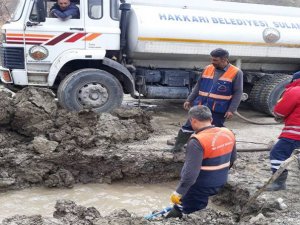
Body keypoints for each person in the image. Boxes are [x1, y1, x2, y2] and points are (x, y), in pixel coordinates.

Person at [166, 105, 237, 218]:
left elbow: (191, 174)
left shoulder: (197, 141)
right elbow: (232, 159)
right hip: (220, 180)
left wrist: (179, 192)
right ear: (211, 119)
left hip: (200, 185)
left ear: (192, 120)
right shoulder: (228, 132)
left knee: (185, 210)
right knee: (196, 204)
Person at [169, 48, 243, 153]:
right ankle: (176, 148)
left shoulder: (236, 72)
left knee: (214, 131)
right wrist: (189, 99)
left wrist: (231, 109)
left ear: (224, 59)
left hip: (218, 109)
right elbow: (198, 85)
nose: (212, 62)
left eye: (215, 60)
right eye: (211, 59)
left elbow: (238, 92)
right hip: (201, 106)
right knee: (188, 127)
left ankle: (212, 152)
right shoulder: (208, 68)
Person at [266, 71, 300, 191]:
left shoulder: (295, 90)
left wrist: (279, 115)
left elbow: (280, 111)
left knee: (277, 153)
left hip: (295, 133)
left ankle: (279, 183)